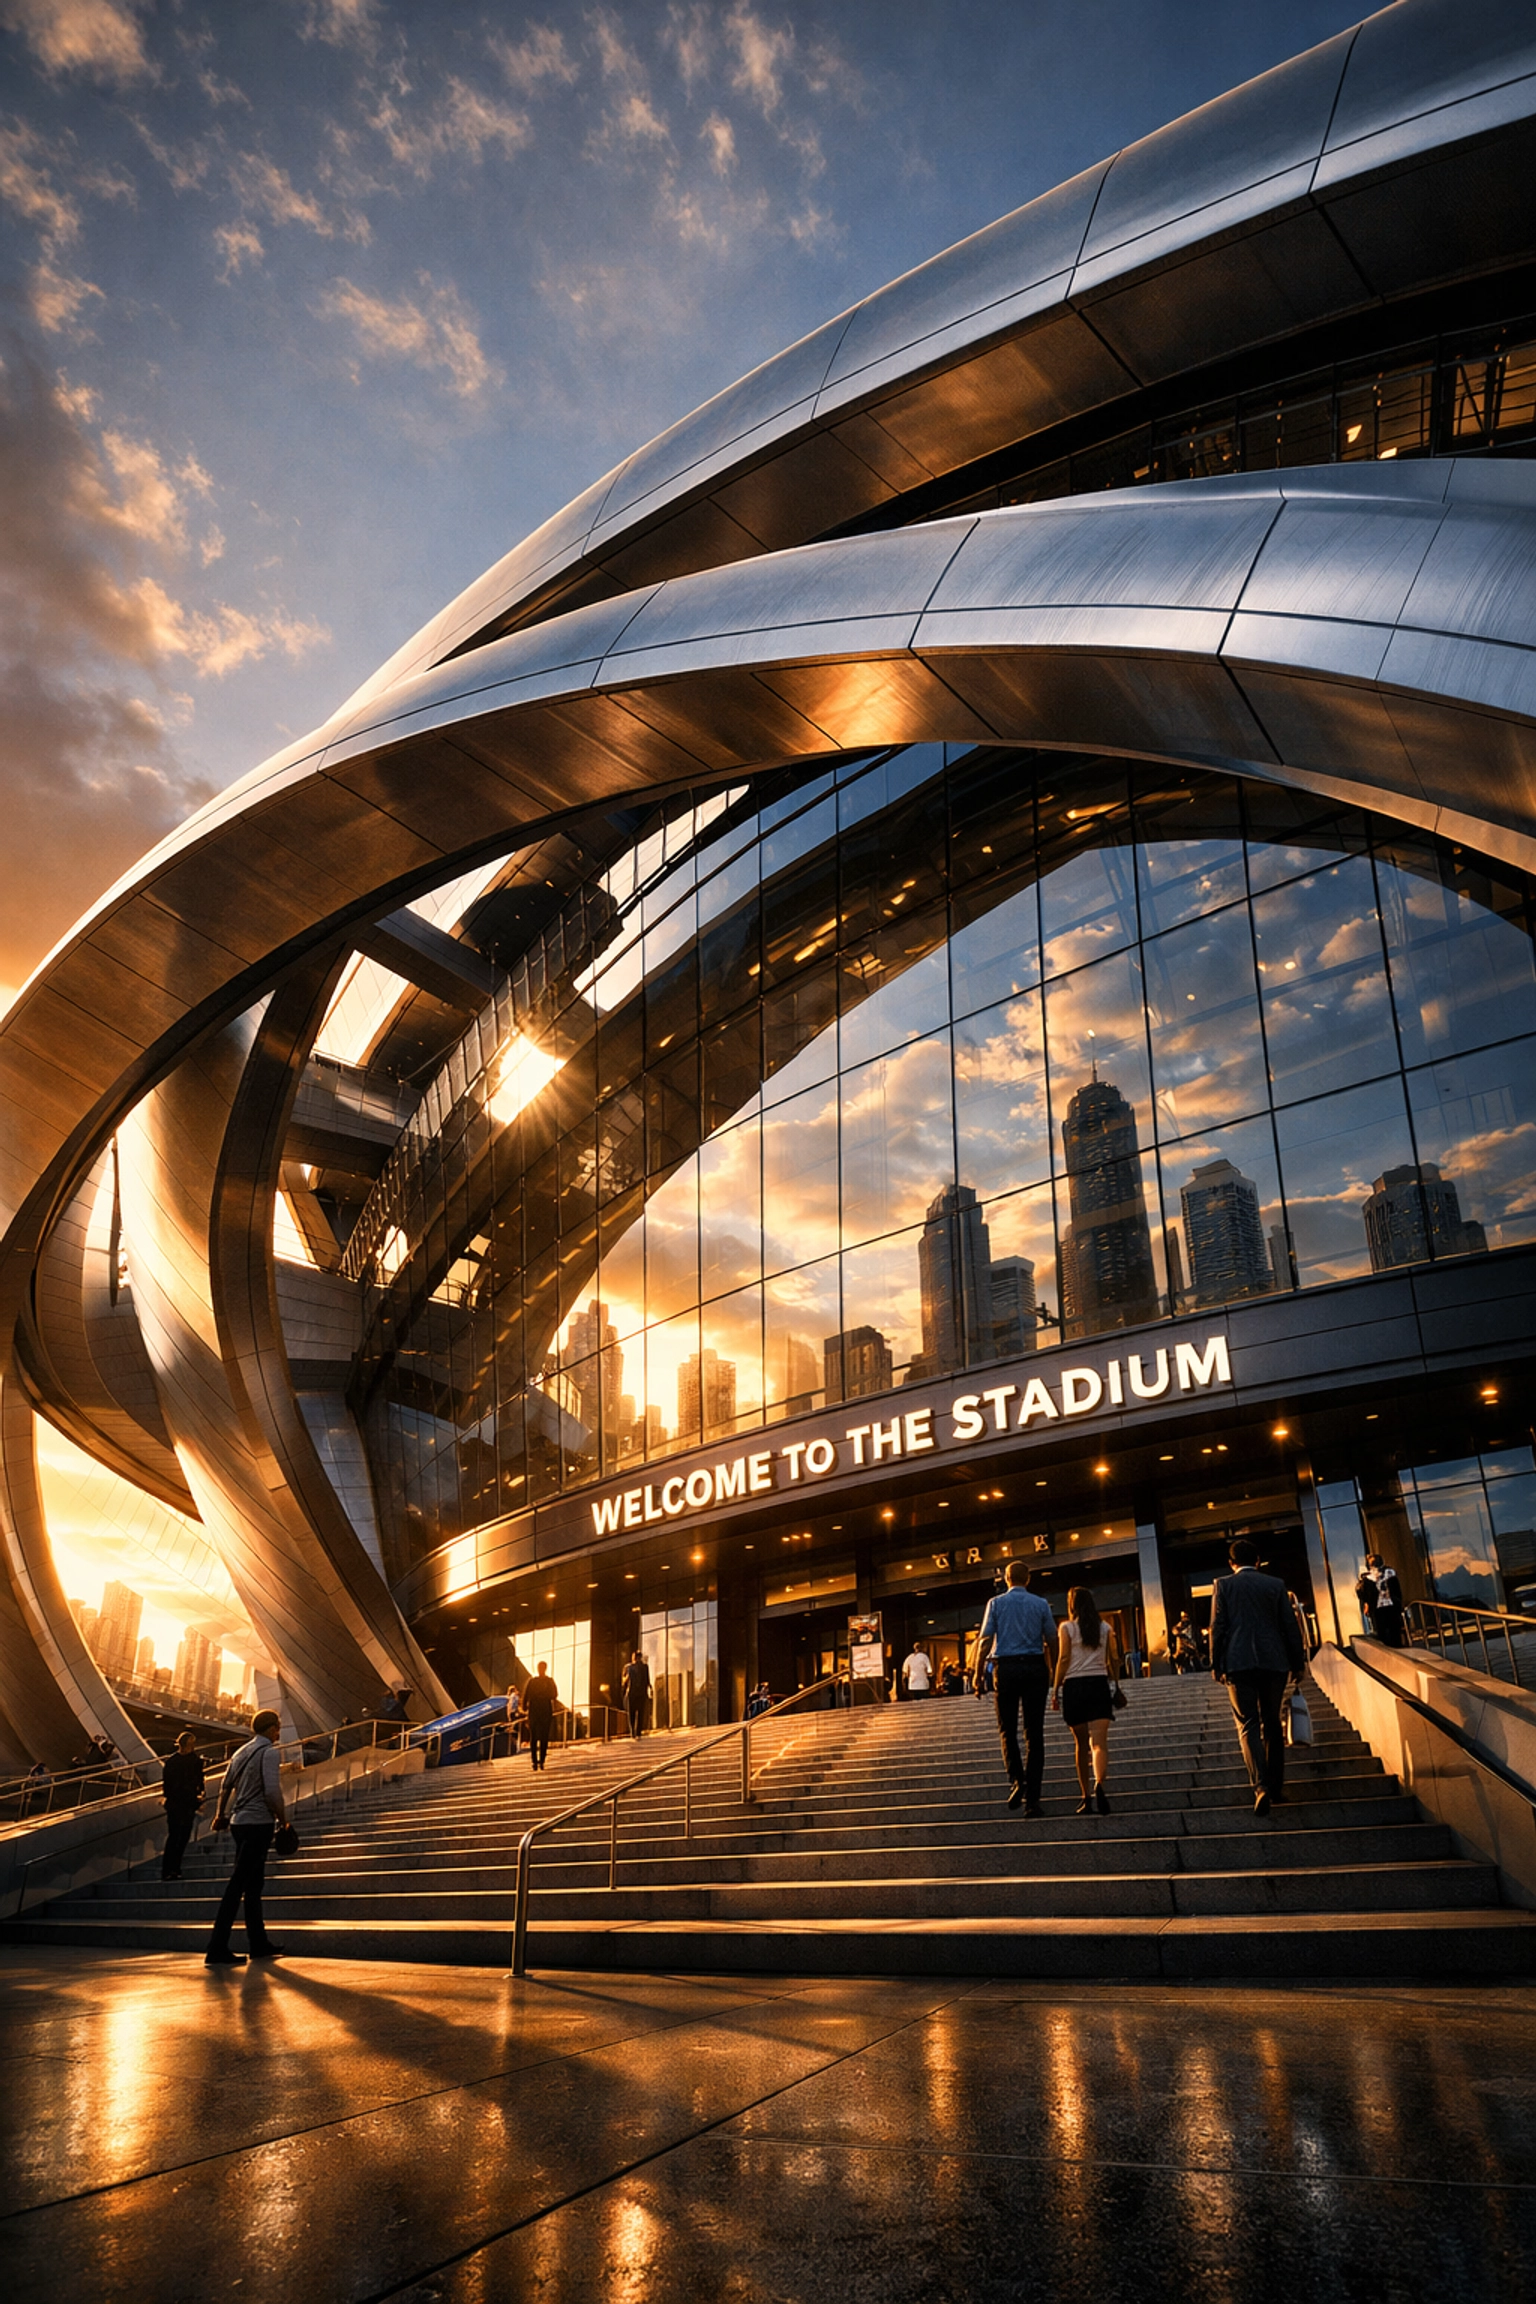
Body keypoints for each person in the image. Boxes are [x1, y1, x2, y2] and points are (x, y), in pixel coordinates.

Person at [1209, 1539, 1308, 1816]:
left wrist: (1216, 1663)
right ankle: (1276, 1788)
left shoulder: (1223, 1585)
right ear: (1258, 1560)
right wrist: (1297, 1663)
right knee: (1272, 1722)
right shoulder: (1275, 1585)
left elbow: (1218, 1625)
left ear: (1231, 1563)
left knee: (1248, 1724)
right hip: (1274, 1662)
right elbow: (1289, 1625)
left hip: (1238, 1664)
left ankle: (1260, 1786)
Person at [971, 1562, 1059, 1814]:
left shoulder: (996, 1603)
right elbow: (1052, 1638)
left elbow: (985, 1639)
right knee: (1034, 1734)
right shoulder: (1041, 1604)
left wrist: (978, 1675)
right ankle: (1033, 1800)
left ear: (1006, 1579)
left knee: (1007, 1729)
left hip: (1006, 1669)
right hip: (1034, 1668)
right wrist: (1053, 1672)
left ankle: (1017, 1779)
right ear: (1028, 1579)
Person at [205, 1709, 290, 1964]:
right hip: (258, 1823)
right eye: (277, 1727)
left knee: (253, 1885)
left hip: (238, 1822)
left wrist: (220, 1814)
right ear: (270, 1728)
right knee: (239, 1884)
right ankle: (217, 1946)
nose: (279, 1732)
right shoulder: (269, 1752)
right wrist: (284, 1820)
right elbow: (272, 1792)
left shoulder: (241, 1752)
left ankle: (259, 1943)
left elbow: (225, 1785)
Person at [1050, 1587, 1121, 1815]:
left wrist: (1055, 1689)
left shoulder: (1067, 1628)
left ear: (1072, 1605)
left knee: (1081, 1745)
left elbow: (1063, 1658)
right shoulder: (1105, 1628)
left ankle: (1085, 1797)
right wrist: (1116, 1683)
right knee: (1099, 1743)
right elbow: (1114, 1658)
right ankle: (1100, 1783)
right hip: (1098, 1685)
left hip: (1074, 1687)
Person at [160, 1730, 205, 1880]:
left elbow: (200, 1781)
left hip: (182, 1803)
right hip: (181, 1803)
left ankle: (172, 1869)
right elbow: (198, 1782)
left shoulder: (175, 1762)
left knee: (180, 1836)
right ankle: (170, 1869)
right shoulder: (186, 1761)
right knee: (177, 1836)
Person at [522, 1662, 557, 1770]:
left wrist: (525, 1706)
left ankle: (538, 1761)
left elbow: (554, 1694)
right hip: (541, 1709)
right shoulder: (541, 1681)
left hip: (539, 1709)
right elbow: (554, 1694)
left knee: (540, 1737)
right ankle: (538, 1761)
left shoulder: (538, 1681)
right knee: (540, 1736)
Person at [1367, 1554, 1405, 1648]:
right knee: (1392, 1631)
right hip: (1387, 1606)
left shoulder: (1371, 1578)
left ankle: (1393, 1648)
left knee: (1387, 1632)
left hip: (1383, 1607)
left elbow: (1369, 1596)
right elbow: (1397, 1592)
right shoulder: (1390, 1574)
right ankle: (1395, 1647)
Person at [622, 1649, 651, 1739]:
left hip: (638, 1693)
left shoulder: (644, 1667)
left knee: (637, 1713)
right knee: (633, 1713)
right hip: (633, 1693)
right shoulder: (628, 1667)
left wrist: (649, 1688)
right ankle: (635, 1733)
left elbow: (647, 1680)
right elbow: (623, 1681)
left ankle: (636, 1733)